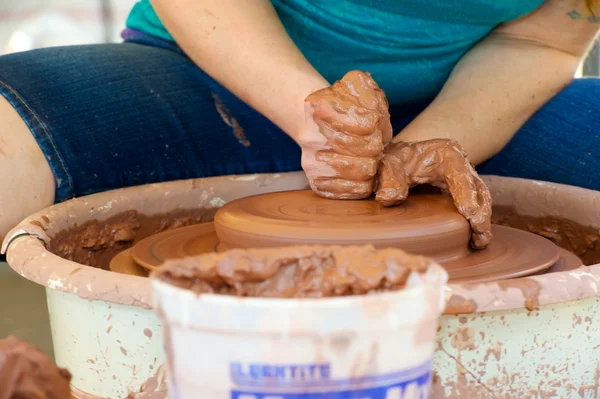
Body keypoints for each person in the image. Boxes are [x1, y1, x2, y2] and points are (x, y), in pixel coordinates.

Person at [0, 0, 598, 241]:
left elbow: (539, 42)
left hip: (454, 100)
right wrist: (323, 119)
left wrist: (409, 154)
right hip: (212, 71)